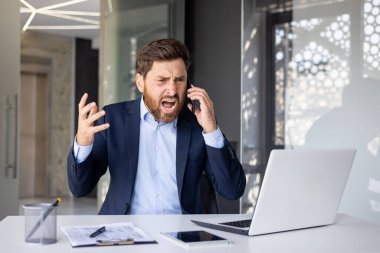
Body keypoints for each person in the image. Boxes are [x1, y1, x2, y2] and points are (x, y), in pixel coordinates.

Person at [67, 38, 246, 215]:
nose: (173, 90)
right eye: (162, 80)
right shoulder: (114, 119)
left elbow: (232, 190)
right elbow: (79, 188)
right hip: (123, 235)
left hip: (182, 238)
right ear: (140, 82)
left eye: (179, 80)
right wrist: (82, 144)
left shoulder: (198, 123)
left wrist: (212, 129)